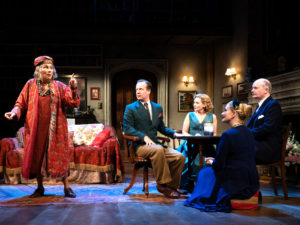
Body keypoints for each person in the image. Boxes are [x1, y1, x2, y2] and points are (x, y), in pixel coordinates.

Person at [4, 56, 80, 198]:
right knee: (37, 157)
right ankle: (40, 187)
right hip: (36, 129)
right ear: (39, 70)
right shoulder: (30, 85)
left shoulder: (60, 86)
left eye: (51, 68)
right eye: (45, 67)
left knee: (61, 157)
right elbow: (20, 103)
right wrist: (14, 112)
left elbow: (73, 103)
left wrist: (73, 87)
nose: (49, 70)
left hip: (56, 129)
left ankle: (67, 187)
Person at [184, 100, 259, 212]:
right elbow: (238, 157)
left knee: (204, 172)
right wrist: (216, 160)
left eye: (225, 110)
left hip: (234, 180)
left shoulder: (228, 135)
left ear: (234, 114)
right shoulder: (249, 132)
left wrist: (212, 162)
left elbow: (218, 165)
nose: (222, 113)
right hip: (250, 179)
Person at [123, 79, 185, 198]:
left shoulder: (157, 108)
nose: (138, 92)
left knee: (180, 157)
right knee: (157, 149)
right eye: (136, 89)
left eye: (141, 89)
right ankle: (162, 185)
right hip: (139, 146)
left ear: (149, 91)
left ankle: (172, 187)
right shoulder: (130, 108)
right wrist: (143, 136)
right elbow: (127, 129)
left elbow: (162, 128)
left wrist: (175, 134)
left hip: (156, 145)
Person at [177, 94, 217, 192]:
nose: (194, 104)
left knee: (208, 159)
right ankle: (188, 183)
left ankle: (205, 184)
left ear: (204, 105)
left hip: (206, 144)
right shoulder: (190, 115)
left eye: (197, 103)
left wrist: (205, 139)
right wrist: (194, 137)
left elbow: (214, 133)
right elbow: (184, 132)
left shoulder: (212, 116)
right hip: (191, 144)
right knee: (188, 160)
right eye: (194, 102)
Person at [247, 78, 283, 164]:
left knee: (238, 151)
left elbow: (267, 127)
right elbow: (251, 127)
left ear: (266, 90)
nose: (252, 90)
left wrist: (247, 134)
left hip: (268, 148)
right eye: (252, 88)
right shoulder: (259, 107)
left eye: (255, 88)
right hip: (258, 144)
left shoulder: (273, 104)